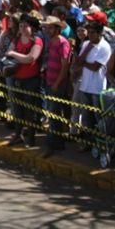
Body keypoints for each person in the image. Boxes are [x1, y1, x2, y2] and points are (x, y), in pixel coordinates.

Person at [5, 14, 43, 147]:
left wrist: (15, 55)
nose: (22, 28)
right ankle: (18, 135)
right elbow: (8, 53)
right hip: (17, 78)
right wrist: (18, 56)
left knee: (30, 111)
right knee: (17, 109)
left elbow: (31, 58)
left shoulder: (37, 40)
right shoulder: (17, 39)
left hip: (31, 79)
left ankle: (31, 137)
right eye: (21, 26)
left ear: (32, 27)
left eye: (25, 26)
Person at [75, 20, 112, 149]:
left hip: (97, 88)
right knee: (86, 118)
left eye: (92, 33)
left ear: (99, 33)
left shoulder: (105, 47)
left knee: (98, 118)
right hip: (85, 86)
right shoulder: (86, 44)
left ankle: (101, 144)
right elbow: (78, 61)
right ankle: (88, 143)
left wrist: (83, 63)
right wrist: (87, 49)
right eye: (89, 32)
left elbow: (95, 67)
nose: (90, 35)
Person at [40, 15, 71, 158]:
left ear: (57, 28)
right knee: (54, 114)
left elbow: (65, 66)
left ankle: (52, 144)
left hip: (57, 84)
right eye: (47, 27)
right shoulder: (51, 42)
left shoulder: (63, 43)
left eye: (50, 27)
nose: (48, 30)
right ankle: (58, 142)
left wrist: (57, 83)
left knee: (53, 113)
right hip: (49, 81)